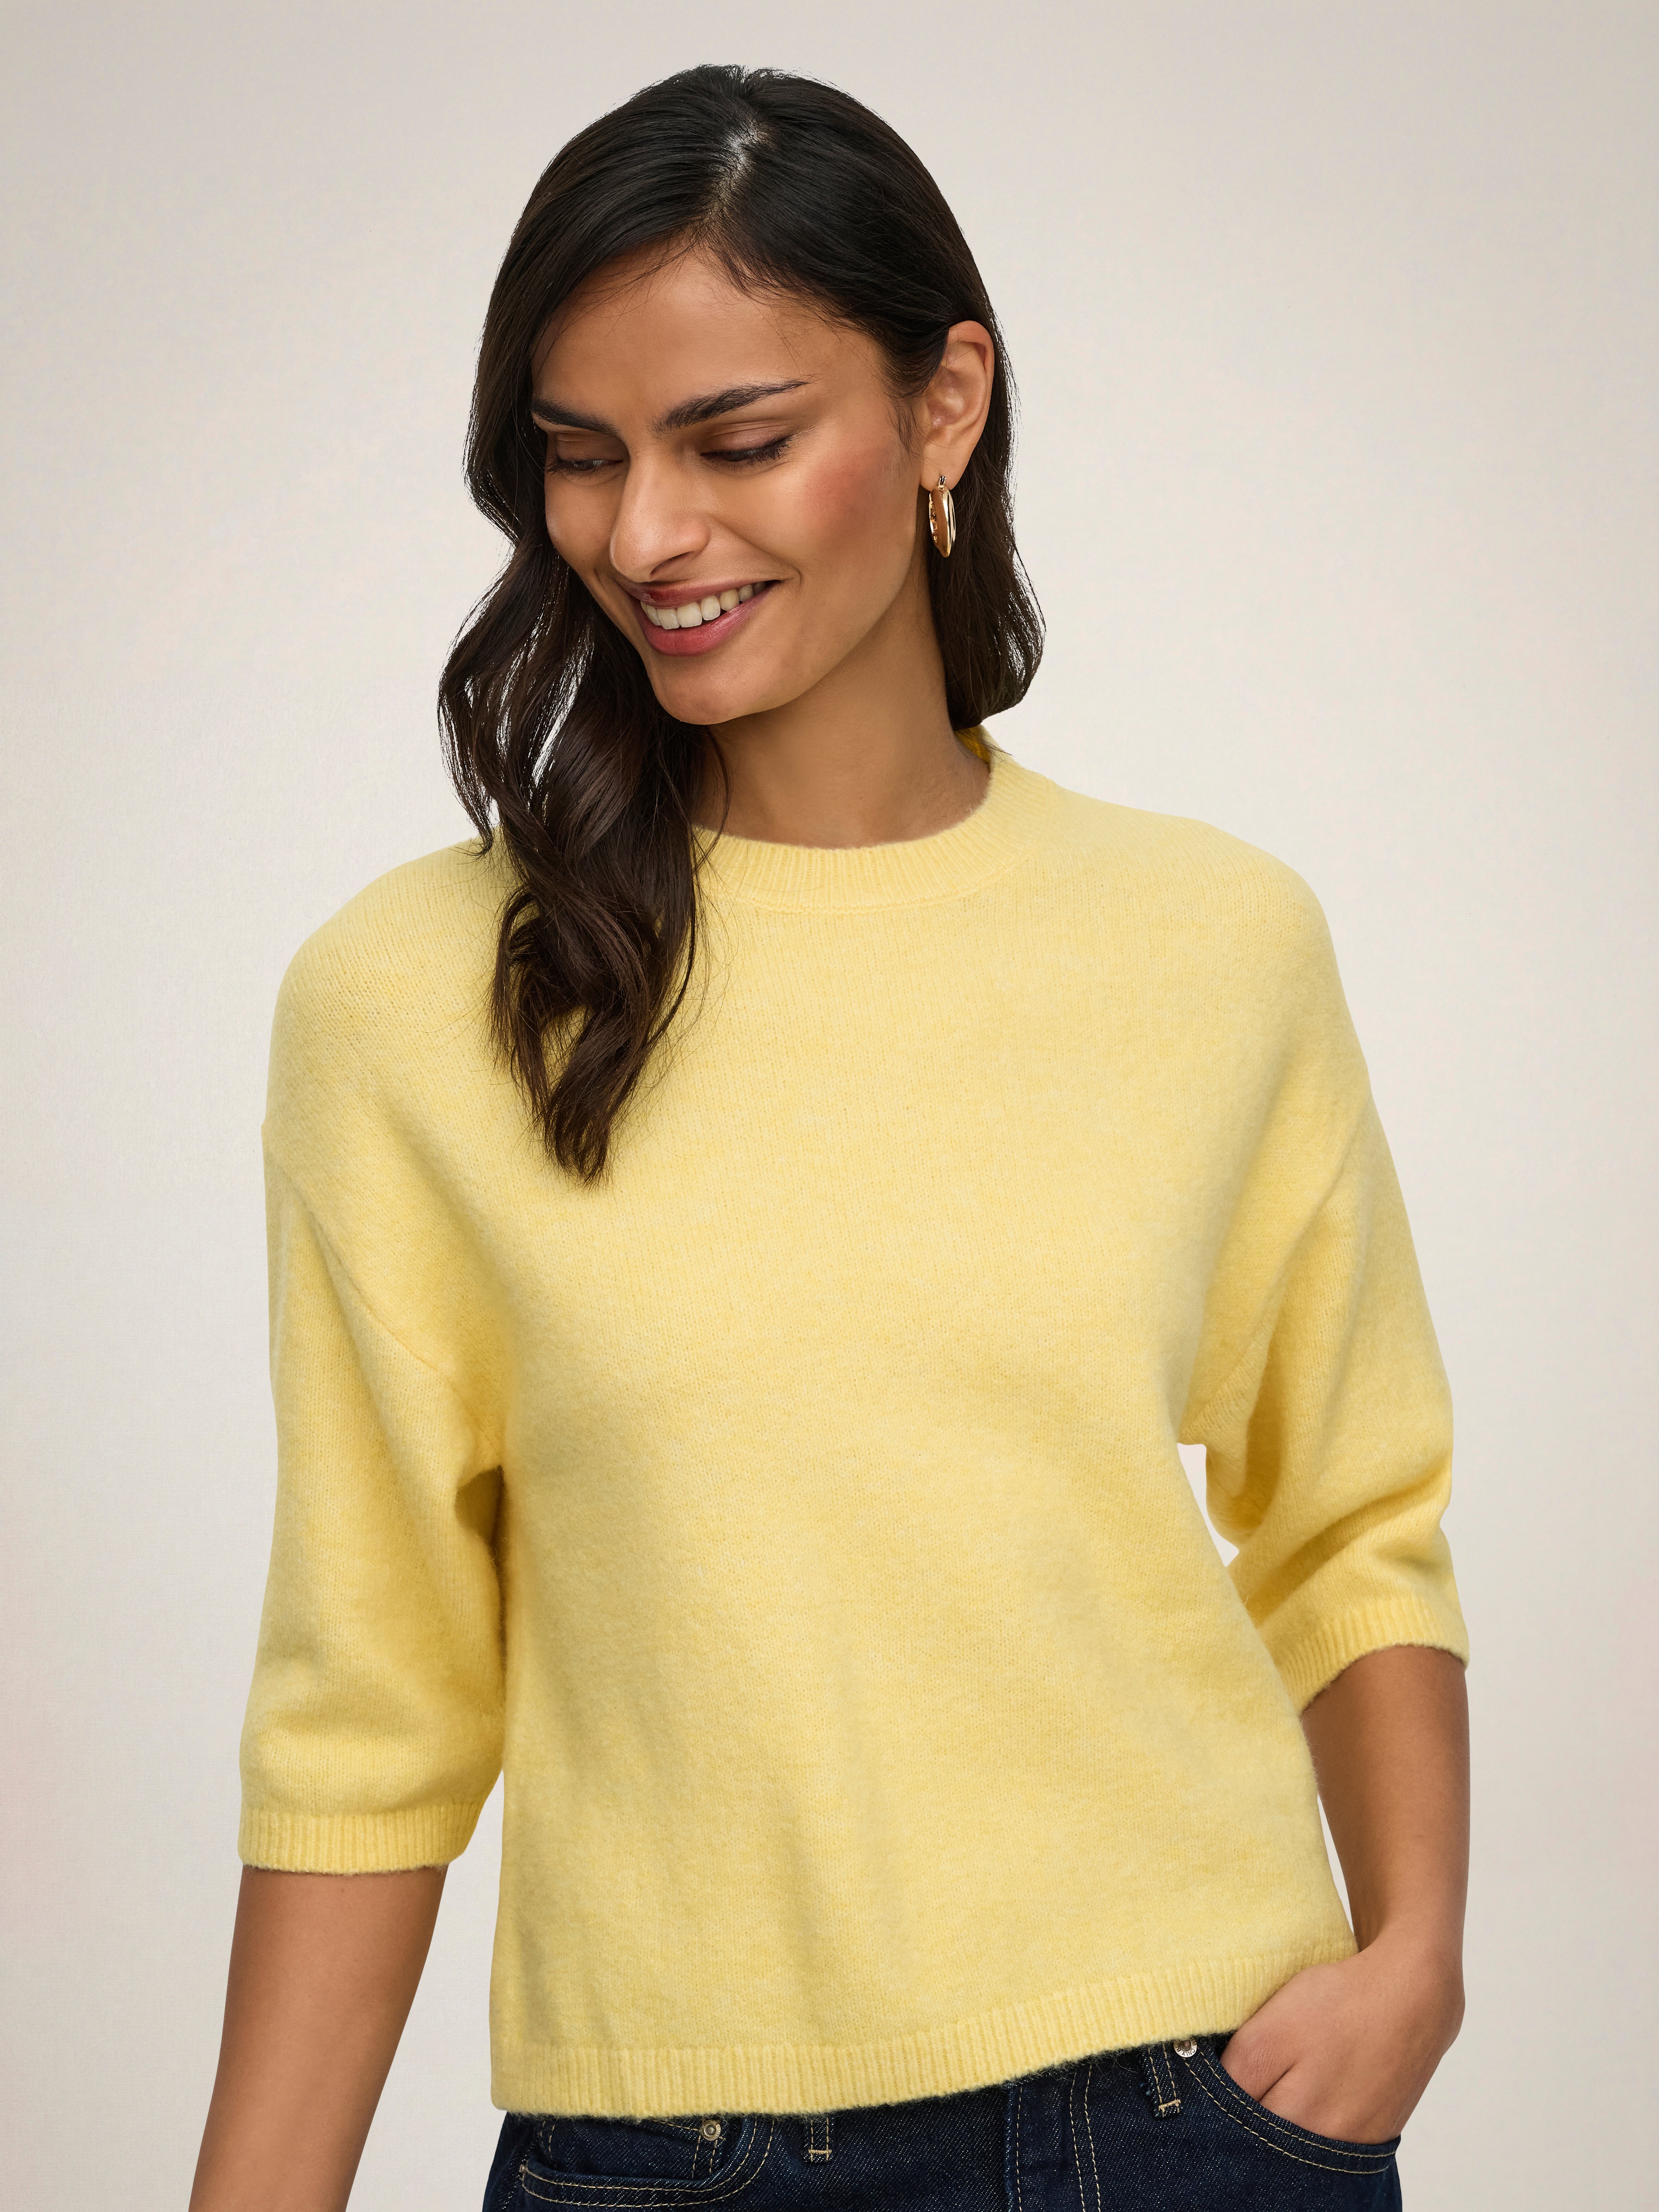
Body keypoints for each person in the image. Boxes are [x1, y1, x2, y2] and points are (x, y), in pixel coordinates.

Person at [189, 63, 1470, 2212]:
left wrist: (1417, 1952)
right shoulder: (412, 1002)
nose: (647, 535)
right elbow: (370, 1699)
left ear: (946, 405)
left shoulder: (1217, 941)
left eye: (739, 441)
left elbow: (1351, 1512)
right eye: (582, 457)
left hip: (1191, 2116)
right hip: (668, 2152)